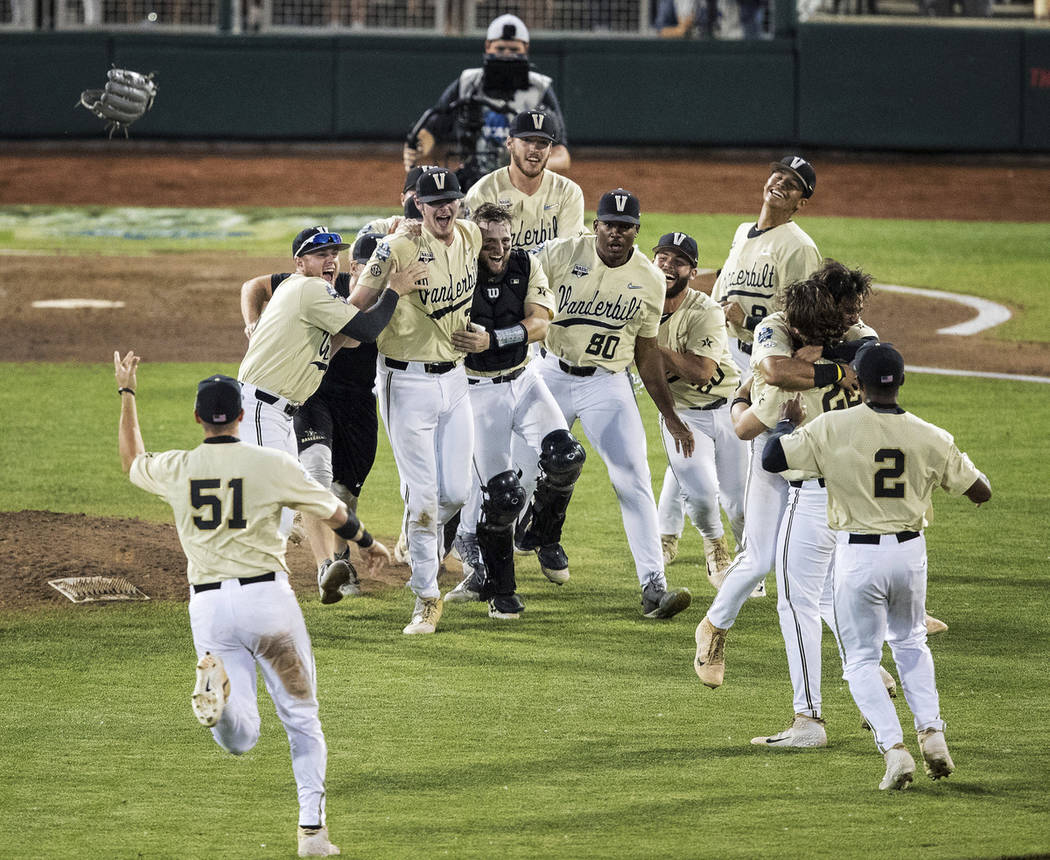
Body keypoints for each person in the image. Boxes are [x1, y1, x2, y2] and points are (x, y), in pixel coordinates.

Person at [115, 352, 386, 856]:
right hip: (268, 603)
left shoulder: (179, 467)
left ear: (198, 418)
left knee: (241, 736)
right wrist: (370, 544)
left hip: (210, 611)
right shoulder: (271, 464)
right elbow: (333, 512)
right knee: (301, 719)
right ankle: (312, 833)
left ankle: (219, 697)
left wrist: (126, 393)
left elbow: (132, 459)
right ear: (241, 416)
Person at [759, 341, 991, 789]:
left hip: (858, 555)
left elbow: (772, 459)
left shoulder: (832, 426)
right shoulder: (931, 434)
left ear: (857, 383)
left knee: (862, 660)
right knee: (911, 643)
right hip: (910, 555)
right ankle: (933, 736)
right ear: (902, 381)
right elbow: (980, 491)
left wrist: (786, 423)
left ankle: (895, 750)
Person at [693, 259, 872, 691]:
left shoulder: (854, 333)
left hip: (825, 461)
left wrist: (824, 360)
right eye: (849, 310)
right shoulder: (776, 335)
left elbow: (873, 362)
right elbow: (772, 377)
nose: (856, 318)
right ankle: (713, 628)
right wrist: (832, 369)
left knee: (833, 571)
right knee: (760, 558)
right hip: (777, 450)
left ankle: (867, 663)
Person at [530, 188, 695, 618]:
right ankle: (508, 554)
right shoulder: (562, 253)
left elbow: (646, 352)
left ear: (637, 231)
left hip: (606, 382)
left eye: (625, 227)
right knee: (518, 472)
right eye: (609, 225)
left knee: (634, 479)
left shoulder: (650, 278)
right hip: (549, 371)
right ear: (595, 225)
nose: (616, 234)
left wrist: (670, 415)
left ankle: (653, 586)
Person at [351, 168, 482, 635]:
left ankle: (415, 529)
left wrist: (486, 334)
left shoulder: (469, 236)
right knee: (426, 497)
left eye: (451, 199)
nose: (444, 207)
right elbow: (354, 304)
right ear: (418, 207)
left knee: (458, 493)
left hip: (456, 381)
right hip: (405, 384)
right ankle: (426, 597)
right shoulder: (394, 248)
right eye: (434, 201)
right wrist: (393, 286)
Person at [241, 231, 403, 602]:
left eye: (334, 254)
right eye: (318, 254)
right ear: (299, 263)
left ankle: (325, 566)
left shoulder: (311, 295)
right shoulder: (309, 290)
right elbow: (362, 328)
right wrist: (394, 288)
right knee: (271, 516)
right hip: (263, 411)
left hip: (276, 412)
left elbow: (345, 338)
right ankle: (244, 592)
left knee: (305, 493)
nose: (330, 260)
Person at [442, 203, 585, 617]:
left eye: (505, 240)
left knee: (566, 457)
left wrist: (495, 338)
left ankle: (539, 533)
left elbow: (540, 323)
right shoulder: (456, 270)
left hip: (524, 379)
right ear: (474, 240)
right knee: (503, 494)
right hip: (476, 392)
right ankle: (500, 589)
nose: (500, 249)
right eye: (490, 242)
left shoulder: (526, 263)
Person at [650, 231, 746, 588]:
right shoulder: (639, 306)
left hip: (727, 411)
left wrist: (650, 350)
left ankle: (747, 559)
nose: (668, 266)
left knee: (738, 504)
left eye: (678, 261)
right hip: (684, 415)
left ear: (692, 271)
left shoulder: (704, 310)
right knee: (703, 493)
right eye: (663, 258)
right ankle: (715, 547)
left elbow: (701, 372)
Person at [403, 14, 570, 190]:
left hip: (521, 185)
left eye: (513, 49)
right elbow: (432, 129)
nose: (506, 55)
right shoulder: (468, 82)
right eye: (500, 48)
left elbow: (562, 156)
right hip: (472, 181)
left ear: (525, 48)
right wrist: (418, 147)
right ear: (488, 46)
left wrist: (529, 162)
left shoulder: (539, 88)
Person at [711, 155, 823, 375]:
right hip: (729, 352)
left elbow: (805, 321)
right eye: (778, 177)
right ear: (767, 183)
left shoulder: (800, 247)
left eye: (791, 185)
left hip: (769, 358)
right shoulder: (742, 232)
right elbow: (725, 285)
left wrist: (747, 321)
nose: (781, 184)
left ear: (801, 202)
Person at [464, 109, 586, 251]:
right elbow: (477, 257)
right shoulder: (483, 193)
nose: (534, 148)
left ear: (550, 148)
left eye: (543, 142)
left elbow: (567, 254)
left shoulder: (568, 192)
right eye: (527, 140)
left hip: (550, 274)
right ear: (510, 143)